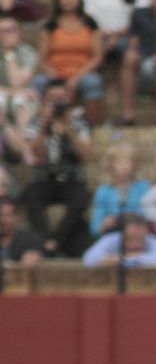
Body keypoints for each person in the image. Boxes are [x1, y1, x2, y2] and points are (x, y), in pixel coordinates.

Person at [23, 80, 92, 258]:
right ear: (45, 99)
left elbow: (85, 156)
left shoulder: (78, 121)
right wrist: (44, 125)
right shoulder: (37, 122)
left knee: (81, 197)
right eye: (53, 99)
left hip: (71, 179)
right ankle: (46, 240)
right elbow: (37, 155)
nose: (57, 103)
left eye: (61, 99)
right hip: (45, 178)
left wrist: (70, 130)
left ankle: (54, 241)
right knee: (31, 195)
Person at [89, 143, 147, 239]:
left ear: (134, 165)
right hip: (111, 237)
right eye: (119, 163)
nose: (124, 167)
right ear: (111, 166)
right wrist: (105, 224)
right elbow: (94, 229)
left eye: (128, 162)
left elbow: (147, 216)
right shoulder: (103, 191)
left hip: (137, 237)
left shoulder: (143, 187)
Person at [82, 212, 156, 267]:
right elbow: (89, 259)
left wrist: (121, 259)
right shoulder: (111, 239)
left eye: (139, 239)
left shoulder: (153, 241)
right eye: (130, 239)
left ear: (146, 233)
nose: (135, 244)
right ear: (122, 234)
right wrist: (132, 257)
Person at [0, 195, 44, 265]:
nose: (2, 220)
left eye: (7, 215)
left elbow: (28, 264)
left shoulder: (30, 239)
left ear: (16, 217)